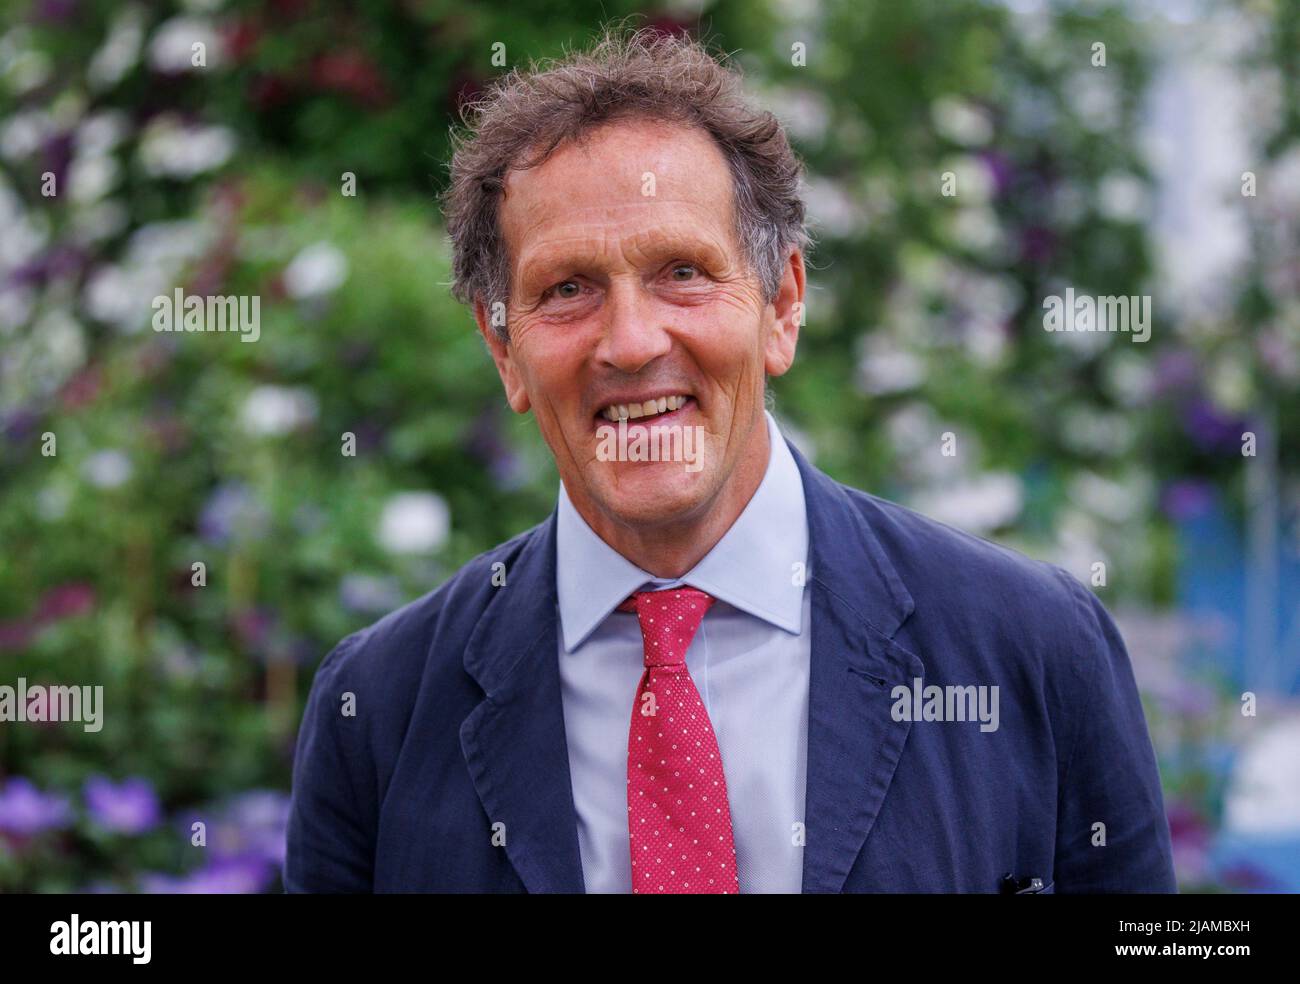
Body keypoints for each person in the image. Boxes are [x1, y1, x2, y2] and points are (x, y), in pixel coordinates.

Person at [284, 28, 1176, 893]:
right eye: (567, 290)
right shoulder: (381, 712)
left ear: (782, 306)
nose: (630, 343)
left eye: (682, 271)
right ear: (503, 348)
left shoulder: (1028, 648)